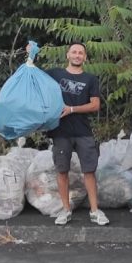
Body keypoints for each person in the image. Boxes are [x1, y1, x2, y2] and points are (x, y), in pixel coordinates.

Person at [41, 42, 108, 226]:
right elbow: (34, 78)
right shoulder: (55, 74)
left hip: (83, 131)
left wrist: (71, 109)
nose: (77, 55)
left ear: (85, 57)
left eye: (81, 53)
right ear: (68, 55)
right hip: (60, 131)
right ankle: (65, 210)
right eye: (74, 52)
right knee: (62, 171)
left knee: (89, 171)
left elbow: (95, 105)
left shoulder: (90, 79)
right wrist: (30, 55)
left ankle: (95, 211)